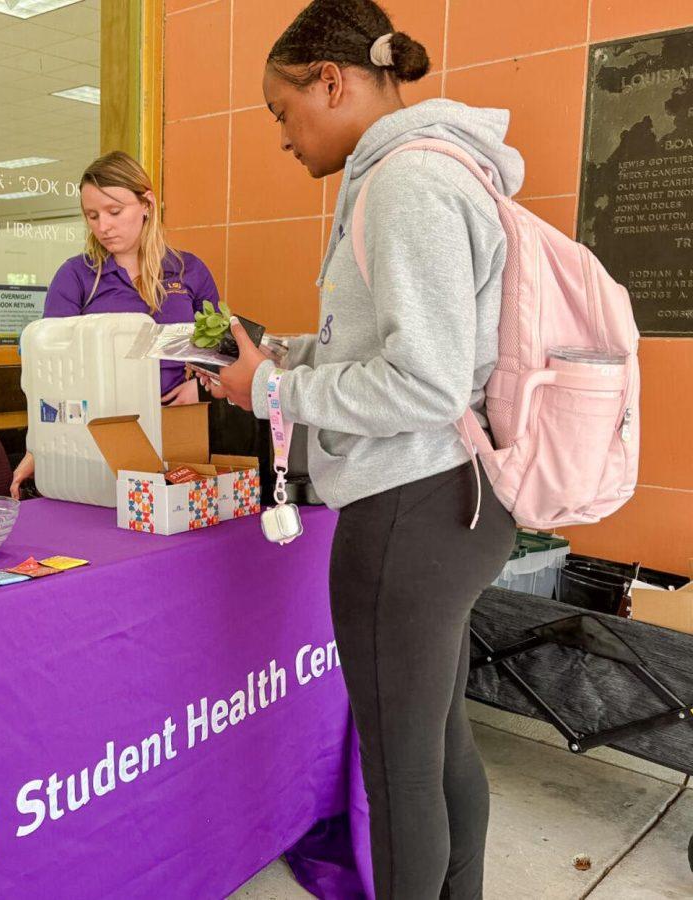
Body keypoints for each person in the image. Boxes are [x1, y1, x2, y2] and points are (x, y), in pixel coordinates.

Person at [205, 2, 518, 896]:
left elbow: (422, 382)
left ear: (331, 81)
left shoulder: (408, 183)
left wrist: (268, 388)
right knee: (440, 746)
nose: (281, 138)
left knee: (402, 776)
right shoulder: (426, 171)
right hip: (451, 499)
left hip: (411, 506)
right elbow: (391, 351)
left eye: (280, 112)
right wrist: (281, 357)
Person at [10, 150, 221, 499]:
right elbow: (49, 373)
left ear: (146, 204)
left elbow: (221, 348)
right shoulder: (77, 276)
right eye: (92, 215)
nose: (103, 226)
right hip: (101, 433)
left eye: (114, 211)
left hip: (178, 427)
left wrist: (199, 388)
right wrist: (41, 446)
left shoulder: (188, 270)